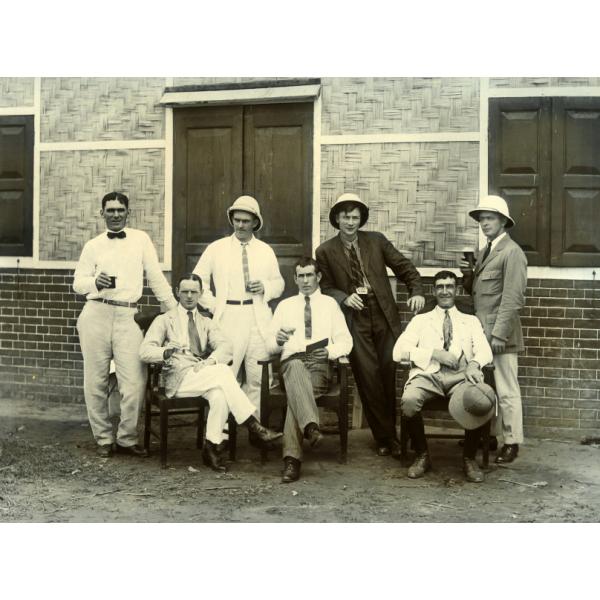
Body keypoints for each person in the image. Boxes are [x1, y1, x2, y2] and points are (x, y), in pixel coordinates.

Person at [315, 192, 425, 457]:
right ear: (337, 219)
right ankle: (387, 438)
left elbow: (404, 266)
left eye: (355, 217)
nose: (351, 222)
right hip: (355, 318)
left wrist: (417, 291)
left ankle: (394, 435)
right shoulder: (325, 251)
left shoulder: (376, 241)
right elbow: (325, 287)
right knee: (368, 377)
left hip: (383, 313)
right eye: (345, 217)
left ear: (361, 219)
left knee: (389, 372)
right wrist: (344, 297)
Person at [139, 274, 282, 472]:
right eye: (185, 291)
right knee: (223, 372)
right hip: (176, 379)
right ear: (177, 293)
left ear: (200, 294)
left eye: (194, 292)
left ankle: (210, 448)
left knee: (220, 395)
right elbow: (144, 351)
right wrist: (166, 351)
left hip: (201, 375)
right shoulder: (165, 320)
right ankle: (254, 425)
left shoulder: (206, 322)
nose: (189, 296)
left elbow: (226, 346)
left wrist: (210, 361)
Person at [73, 191, 178, 458]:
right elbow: (77, 283)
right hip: (95, 313)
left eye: (120, 210)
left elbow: (155, 277)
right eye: (110, 210)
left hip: (127, 316)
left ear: (128, 213)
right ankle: (104, 439)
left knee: (133, 381)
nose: (116, 215)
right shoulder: (93, 245)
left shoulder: (141, 240)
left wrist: (175, 310)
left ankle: (127, 438)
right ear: (102, 213)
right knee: (95, 380)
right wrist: (95, 282)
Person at [192, 196, 284, 444]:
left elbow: (279, 284)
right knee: (226, 374)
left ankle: (256, 431)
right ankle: (219, 436)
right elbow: (197, 280)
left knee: (258, 376)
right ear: (232, 219)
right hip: (228, 317)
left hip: (256, 317)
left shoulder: (265, 251)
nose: (241, 225)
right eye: (237, 220)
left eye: (246, 221)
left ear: (256, 222)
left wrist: (264, 286)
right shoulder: (217, 248)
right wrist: (214, 305)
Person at [393, 270, 495, 482]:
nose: (445, 291)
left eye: (449, 286)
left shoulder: (471, 320)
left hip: (460, 377)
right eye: (440, 287)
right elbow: (397, 351)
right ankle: (422, 455)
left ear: (456, 290)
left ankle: (469, 458)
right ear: (434, 290)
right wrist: (433, 353)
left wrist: (475, 364)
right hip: (428, 375)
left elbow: (485, 350)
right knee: (409, 401)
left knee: (476, 399)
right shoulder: (421, 320)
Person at [267, 257, 353, 483]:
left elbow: (346, 342)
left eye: (309, 275)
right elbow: (269, 345)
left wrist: (330, 352)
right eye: (301, 276)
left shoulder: (330, 305)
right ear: (295, 279)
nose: (305, 281)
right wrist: (277, 340)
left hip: (318, 363)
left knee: (297, 396)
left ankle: (292, 461)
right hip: (291, 362)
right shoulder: (284, 306)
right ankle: (311, 427)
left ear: (318, 277)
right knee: (295, 367)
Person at [460, 195, 528, 464]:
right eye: (481, 219)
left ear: (503, 221)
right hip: (482, 334)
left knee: (506, 389)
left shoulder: (512, 253)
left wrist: (499, 335)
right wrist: (468, 277)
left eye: (490, 218)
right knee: (486, 388)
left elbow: (512, 299)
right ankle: (487, 437)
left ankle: (511, 442)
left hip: (501, 336)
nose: (484, 223)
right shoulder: (487, 251)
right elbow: (482, 293)